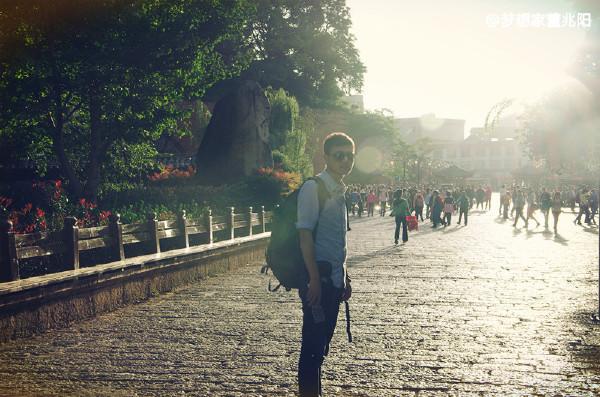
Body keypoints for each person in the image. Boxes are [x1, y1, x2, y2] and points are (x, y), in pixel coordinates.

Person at [296, 132, 353, 397]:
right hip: (318, 281)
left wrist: (346, 277)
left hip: (334, 281)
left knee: (321, 347)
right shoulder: (314, 187)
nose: (345, 160)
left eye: (349, 156)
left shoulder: (338, 189)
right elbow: (304, 234)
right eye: (338, 155)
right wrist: (314, 280)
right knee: (312, 348)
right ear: (326, 157)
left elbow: (336, 239)